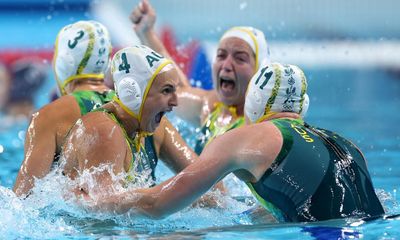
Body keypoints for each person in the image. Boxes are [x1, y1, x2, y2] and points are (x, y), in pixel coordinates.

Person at [80, 62, 385, 222]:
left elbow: (158, 204)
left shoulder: (242, 139)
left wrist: (99, 203)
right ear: (302, 106)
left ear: (253, 101)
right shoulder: (348, 146)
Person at [130, 0, 270, 154]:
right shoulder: (211, 107)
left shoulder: (263, 127)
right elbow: (177, 89)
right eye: (221, 56)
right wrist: (146, 32)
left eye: (240, 58)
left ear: (259, 71)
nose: (226, 65)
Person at [61, 45, 199, 198]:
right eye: (166, 91)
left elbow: (207, 184)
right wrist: (167, 195)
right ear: (133, 94)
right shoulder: (103, 132)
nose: (175, 102)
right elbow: (104, 214)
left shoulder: (156, 127)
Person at [13, 20, 114, 196]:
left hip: (79, 221)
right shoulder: (142, 110)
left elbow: (22, 200)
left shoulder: (48, 116)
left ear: (64, 61)